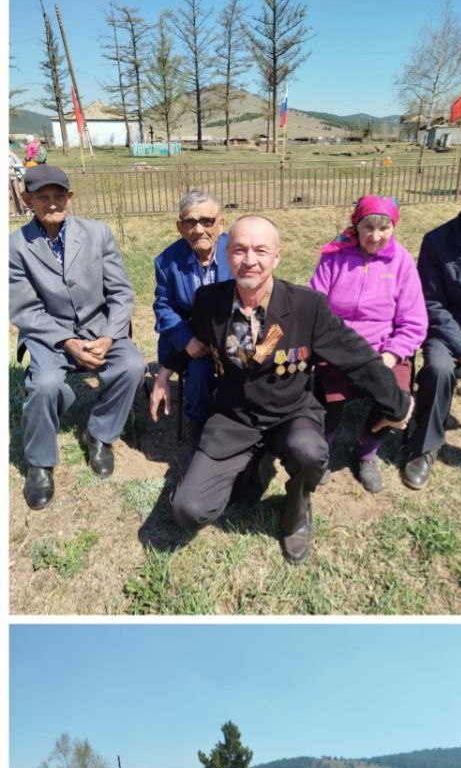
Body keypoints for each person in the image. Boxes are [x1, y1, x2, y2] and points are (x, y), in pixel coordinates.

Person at [157, 215, 412, 564]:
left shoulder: (308, 306)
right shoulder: (209, 301)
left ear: (277, 257)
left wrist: (397, 404)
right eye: (240, 250)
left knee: (310, 452)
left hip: (291, 412)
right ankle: (251, 469)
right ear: (226, 255)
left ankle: (297, 511)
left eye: (261, 250)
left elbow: (357, 357)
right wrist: (163, 372)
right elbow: (191, 338)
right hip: (234, 418)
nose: (250, 260)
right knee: (189, 512)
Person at [10, 164, 145, 510]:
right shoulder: (14, 247)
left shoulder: (98, 233)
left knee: (132, 366)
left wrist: (111, 338)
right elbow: (25, 309)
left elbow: (121, 292)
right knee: (44, 386)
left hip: (100, 330)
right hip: (49, 337)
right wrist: (68, 342)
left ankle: (100, 434)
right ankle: (39, 463)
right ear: (28, 200)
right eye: (43, 197)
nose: (52, 203)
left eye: (59, 196)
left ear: (70, 197)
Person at [308, 195, 427, 492]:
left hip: (383, 348)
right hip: (339, 343)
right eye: (368, 227)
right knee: (327, 391)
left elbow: (414, 322)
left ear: (394, 228)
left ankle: (365, 449)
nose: (375, 236)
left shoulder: (402, 262)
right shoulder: (334, 255)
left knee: (396, 398)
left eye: (383, 228)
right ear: (356, 226)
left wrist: (389, 355)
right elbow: (314, 303)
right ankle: (323, 447)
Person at [401, 176, 461, 491]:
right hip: (446, 329)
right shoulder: (437, 241)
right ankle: (425, 446)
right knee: (439, 369)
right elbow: (430, 302)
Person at [150, 190, 232, 442]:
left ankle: (239, 424)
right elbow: (164, 307)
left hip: (232, 334)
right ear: (180, 227)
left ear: (221, 223)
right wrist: (186, 340)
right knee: (198, 372)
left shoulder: (236, 250)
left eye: (207, 221)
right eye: (190, 222)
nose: (198, 229)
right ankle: (200, 427)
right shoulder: (167, 261)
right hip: (192, 339)